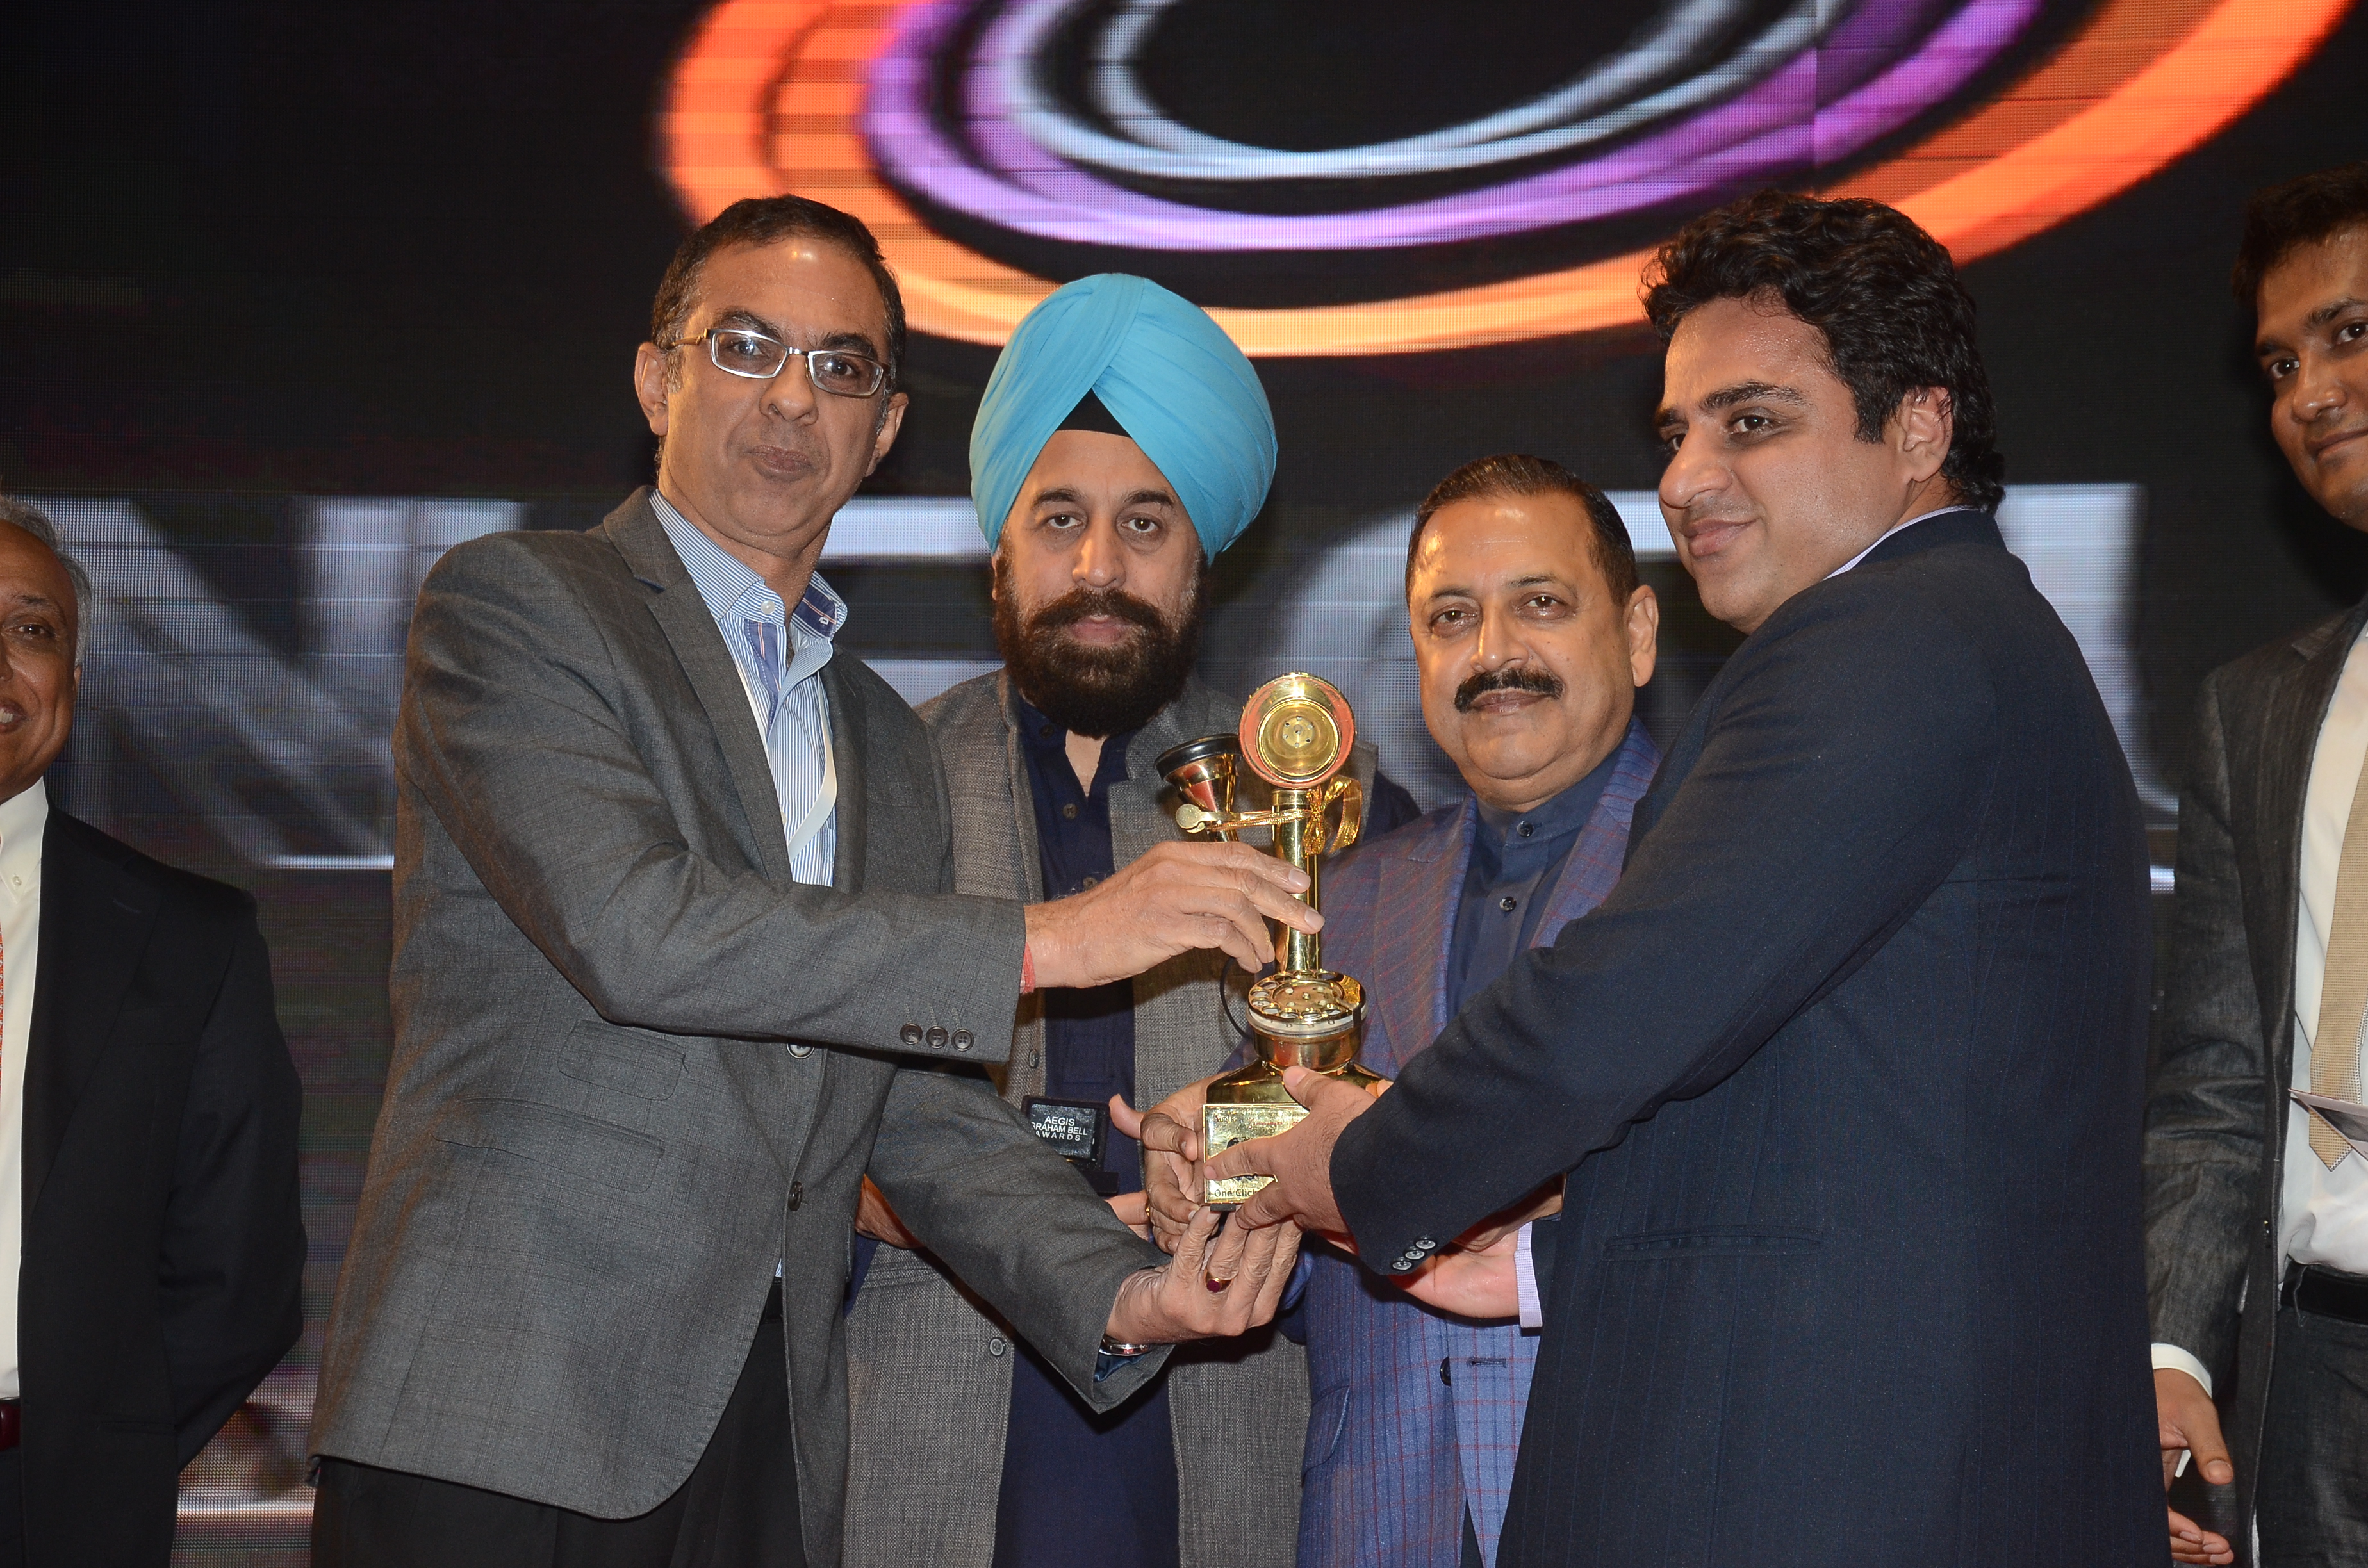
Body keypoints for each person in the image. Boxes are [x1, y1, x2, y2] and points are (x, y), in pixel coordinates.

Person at [306, 199, 1309, 1568]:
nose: (792, 396)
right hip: (511, 1408)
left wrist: (1126, 1298)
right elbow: (637, 928)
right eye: (746, 347)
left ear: (883, 430)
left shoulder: (879, 739)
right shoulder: (520, 605)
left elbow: (909, 1107)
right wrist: (1048, 941)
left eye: (841, 367)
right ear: (656, 381)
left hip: (775, 1439)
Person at [1201, 191, 2166, 1565]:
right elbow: (1831, 1136)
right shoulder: (1962, 637)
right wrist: (1540, 1262)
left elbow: (1623, 1005)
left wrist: (1356, 1166)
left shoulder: (1884, 643)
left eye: (1751, 421)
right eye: (1677, 433)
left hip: (1852, 1491)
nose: (1688, 478)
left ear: (1919, 428)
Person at [844, 272, 1416, 1568]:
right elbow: (788, 1118)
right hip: (925, 1436)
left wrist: (1233, 1164)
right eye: (1061, 518)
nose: (1099, 567)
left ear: (1203, 556)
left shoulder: (1324, 796)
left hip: (1226, 1440)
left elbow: (1391, 1114)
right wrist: (888, 1199)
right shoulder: (876, 783)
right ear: (1001, 544)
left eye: (1146, 523)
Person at [0, 499, 304, 1567]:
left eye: (33, 628)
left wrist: (104, 1455)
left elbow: (241, 1277)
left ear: (73, 680)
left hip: (49, 1514)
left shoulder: (191, 941)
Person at [2148, 161, 2368, 1568]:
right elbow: (2219, 1078)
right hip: (2313, 1378)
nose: (2310, 393)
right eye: (2282, 363)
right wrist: (2173, 1344)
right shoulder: (2259, 707)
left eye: (2352, 333)